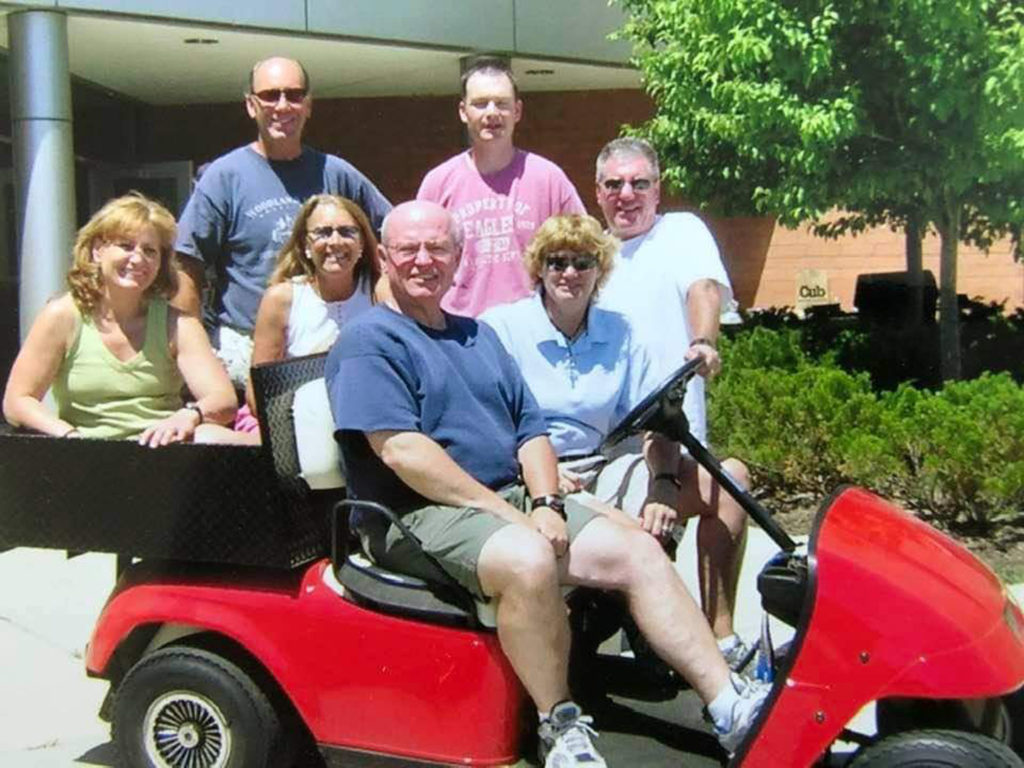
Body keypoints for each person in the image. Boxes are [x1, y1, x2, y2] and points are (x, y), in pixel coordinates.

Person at [327, 200, 768, 767]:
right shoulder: (371, 340)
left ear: (458, 257)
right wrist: (515, 516)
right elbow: (404, 453)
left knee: (635, 546)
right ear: (384, 256)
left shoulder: (473, 336)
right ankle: (559, 723)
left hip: (498, 499)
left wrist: (545, 501)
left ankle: (728, 702)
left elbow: (529, 429)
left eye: (438, 247)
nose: (423, 260)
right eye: (409, 248)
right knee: (530, 558)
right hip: (413, 514)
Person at [482, 214, 753, 670]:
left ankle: (719, 636)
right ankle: (646, 627)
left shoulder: (622, 333)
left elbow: (658, 419)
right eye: (557, 262)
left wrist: (663, 484)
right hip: (532, 475)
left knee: (731, 481)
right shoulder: (502, 329)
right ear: (539, 270)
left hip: (603, 467)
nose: (569, 273)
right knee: (641, 546)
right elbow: (484, 420)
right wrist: (538, 474)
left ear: (600, 270)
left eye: (583, 262)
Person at [592, 137, 753, 669]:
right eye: (614, 185)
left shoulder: (680, 231)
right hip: (607, 457)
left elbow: (702, 289)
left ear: (658, 189)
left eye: (639, 183)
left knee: (732, 484)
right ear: (598, 193)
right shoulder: (587, 259)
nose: (627, 194)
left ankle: (720, 637)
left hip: (674, 441)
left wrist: (703, 341)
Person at [174, 56, 392, 386]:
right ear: (251, 105)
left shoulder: (336, 172)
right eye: (270, 95)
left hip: (330, 340)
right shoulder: (225, 177)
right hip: (248, 344)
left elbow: (392, 237)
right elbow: (186, 262)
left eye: (293, 95)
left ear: (308, 105)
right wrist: (192, 346)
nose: (282, 105)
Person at [2, 193, 238, 447]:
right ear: (97, 251)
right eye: (126, 246)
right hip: (85, 456)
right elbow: (17, 401)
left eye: (150, 251)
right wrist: (69, 437)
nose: (138, 259)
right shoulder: (62, 316)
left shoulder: (178, 324)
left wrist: (190, 415)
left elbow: (223, 399)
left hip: (163, 454)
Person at [416, 56, 585, 317]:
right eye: (480, 104)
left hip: (534, 330)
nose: (492, 112)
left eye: (502, 104)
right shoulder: (438, 182)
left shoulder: (548, 179)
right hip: (460, 332)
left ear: (517, 111)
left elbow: (583, 248)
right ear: (463, 111)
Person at [245, 193, 378, 417]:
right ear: (305, 245)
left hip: (368, 416)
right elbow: (257, 394)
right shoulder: (282, 299)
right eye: (323, 233)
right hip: (302, 418)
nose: (335, 242)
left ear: (362, 243)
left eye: (347, 232)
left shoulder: (379, 292)